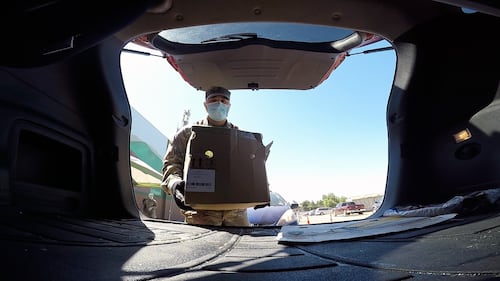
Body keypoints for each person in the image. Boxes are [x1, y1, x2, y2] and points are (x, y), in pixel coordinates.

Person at [161, 86, 250, 226]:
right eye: (213, 100)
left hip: (236, 215)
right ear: (205, 105)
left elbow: (250, 168)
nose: (219, 104)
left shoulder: (242, 137)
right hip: (200, 213)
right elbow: (171, 165)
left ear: (229, 105)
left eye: (223, 100)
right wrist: (175, 184)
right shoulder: (187, 134)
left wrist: (258, 192)